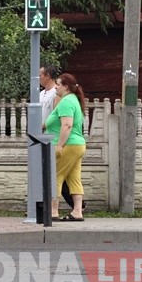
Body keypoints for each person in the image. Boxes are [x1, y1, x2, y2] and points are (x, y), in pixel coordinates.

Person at [46, 73, 87, 221]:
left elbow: (67, 125)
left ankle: (53, 211)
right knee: (74, 178)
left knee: (56, 176)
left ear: (65, 86)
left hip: (68, 145)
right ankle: (77, 212)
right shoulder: (74, 100)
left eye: (57, 84)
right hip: (78, 145)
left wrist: (59, 145)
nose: (55, 87)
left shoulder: (65, 102)